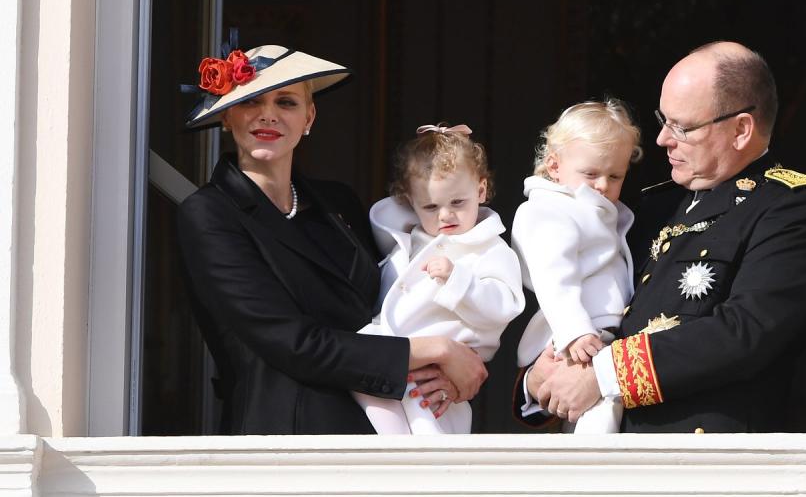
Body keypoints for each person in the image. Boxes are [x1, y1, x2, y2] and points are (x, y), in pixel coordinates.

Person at [178, 43, 487, 435]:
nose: (267, 114)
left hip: (391, 422)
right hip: (288, 439)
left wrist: (450, 361)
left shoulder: (337, 202)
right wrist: (436, 350)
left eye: (286, 102)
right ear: (227, 117)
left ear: (309, 116)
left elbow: (405, 294)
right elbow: (291, 342)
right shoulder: (209, 214)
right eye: (251, 100)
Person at [519, 41, 806, 433]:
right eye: (664, 120)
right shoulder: (649, 208)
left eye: (683, 127)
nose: (662, 139)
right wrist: (538, 379)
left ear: (741, 129)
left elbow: (745, 332)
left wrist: (604, 375)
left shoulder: (790, 206)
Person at [352, 123, 525, 434]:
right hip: (393, 353)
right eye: (431, 206)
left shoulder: (490, 248)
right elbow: (386, 213)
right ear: (411, 203)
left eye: (458, 202)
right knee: (359, 367)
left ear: (481, 191)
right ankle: (390, 452)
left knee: (429, 436)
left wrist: (458, 280)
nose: (445, 215)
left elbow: (506, 305)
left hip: (437, 373)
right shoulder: (409, 238)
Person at [511, 100, 642, 434]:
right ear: (555, 166)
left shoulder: (597, 209)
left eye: (615, 176)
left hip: (600, 335)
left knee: (598, 412)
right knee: (596, 419)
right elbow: (554, 275)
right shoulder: (548, 210)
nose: (602, 185)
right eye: (590, 174)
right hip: (577, 333)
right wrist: (574, 329)